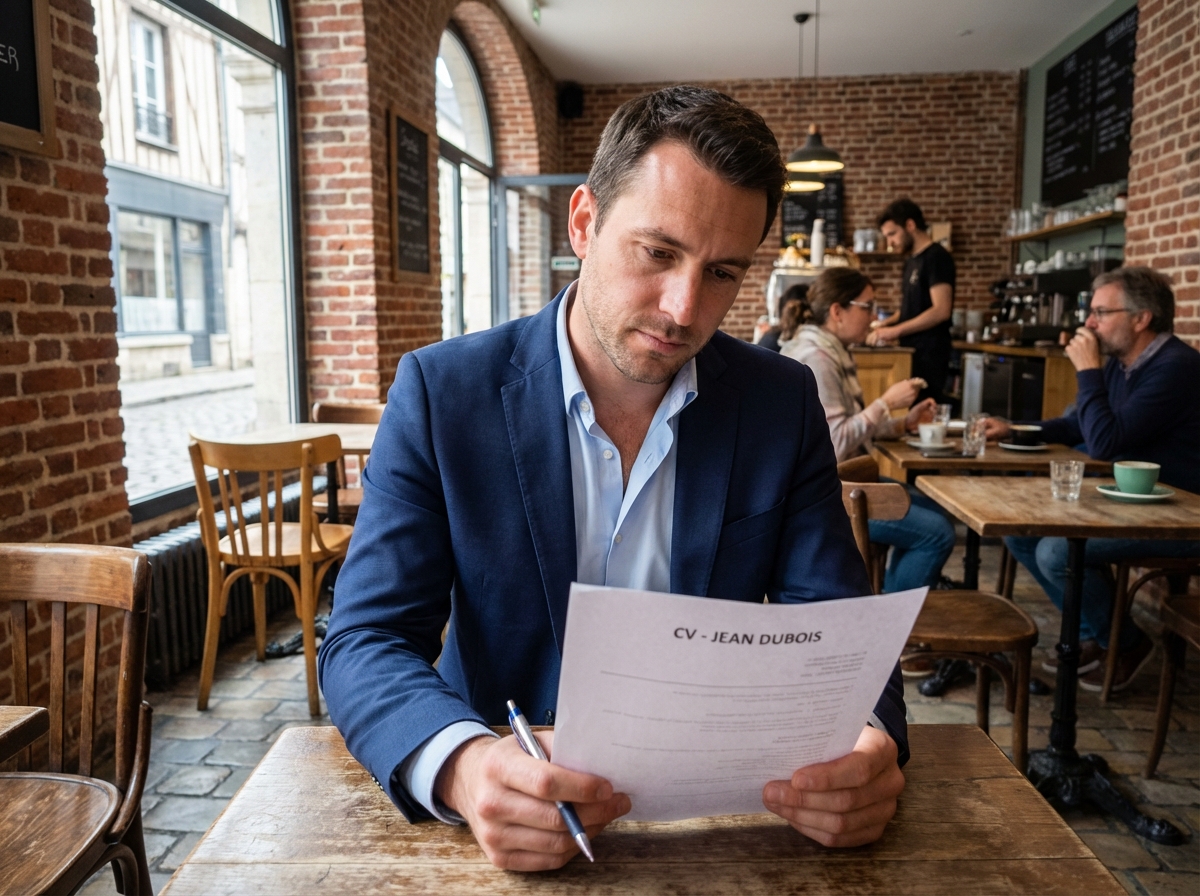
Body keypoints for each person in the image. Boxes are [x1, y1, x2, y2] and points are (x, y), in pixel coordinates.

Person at [319, 86, 907, 872]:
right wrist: (462, 767)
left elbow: (840, 639)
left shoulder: (778, 402)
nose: (683, 307)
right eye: (658, 252)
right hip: (500, 828)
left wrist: (869, 748)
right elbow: (366, 639)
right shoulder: (441, 393)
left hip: (717, 837)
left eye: (723, 272)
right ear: (585, 222)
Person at [985, 267, 1200, 691]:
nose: (1089, 322)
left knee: (1056, 552)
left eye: (1101, 312)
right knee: (1020, 535)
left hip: (1182, 515)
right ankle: (1095, 634)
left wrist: (1087, 371)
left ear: (1141, 318)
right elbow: (1081, 425)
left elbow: (1103, 441)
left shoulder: (1176, 368)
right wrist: (1017, 428)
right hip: (1137, 503)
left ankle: (1125, 643)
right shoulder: (1126, 365)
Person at [780, 268, 954, 593]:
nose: (874, 317)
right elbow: (836, 442)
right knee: (937, 533)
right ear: (837, 311)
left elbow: (849, 427)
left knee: (935, 510)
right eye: (867, 306)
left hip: (847, 480)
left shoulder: (832, 351)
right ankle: (892, 626)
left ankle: (894, 592)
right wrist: (886, 403)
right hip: (825, 495)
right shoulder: (816, 359)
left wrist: (905, 422)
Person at [867, 199, 954, 403]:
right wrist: (884, 324)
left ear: (910, 225)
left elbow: (941, 310)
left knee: (925, 409)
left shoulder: (936, 257)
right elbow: (910, 309)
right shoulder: (911, 261)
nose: (890, 243)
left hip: (930, 354)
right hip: (912, 353)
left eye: (892, 234)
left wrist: (895, 331)